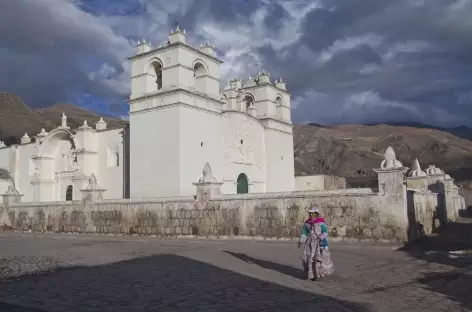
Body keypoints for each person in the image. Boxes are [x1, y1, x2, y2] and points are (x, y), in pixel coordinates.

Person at [298, 207, 334, 280]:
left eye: (313, 213)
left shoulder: (321, 223)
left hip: (320, 243)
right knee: (310, 259)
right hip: (310, 243)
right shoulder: (307, 223)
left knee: (319, 259)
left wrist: (320, 238)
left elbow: (325, 232)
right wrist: (301, 241)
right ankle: (312, 275)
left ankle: (318, 274)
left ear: (316, 214)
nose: (311, 214)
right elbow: (304, 233)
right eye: (310, 213)